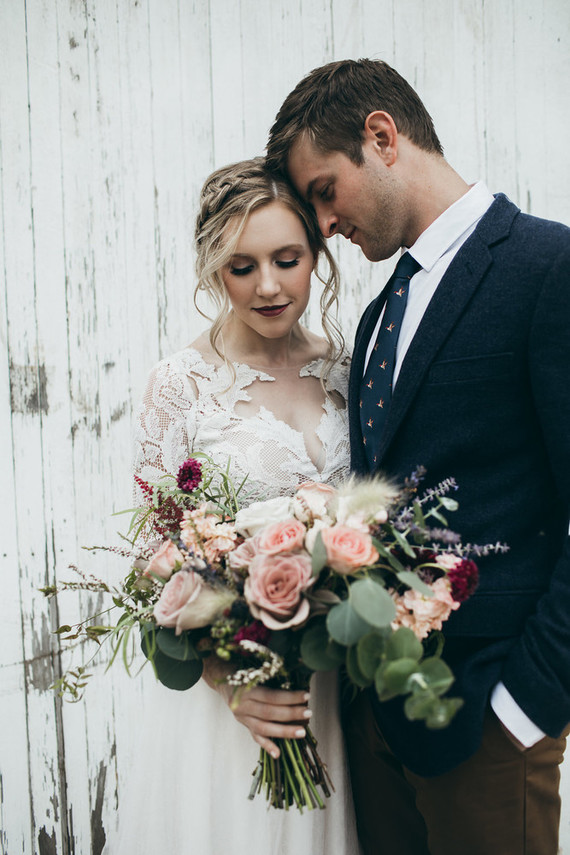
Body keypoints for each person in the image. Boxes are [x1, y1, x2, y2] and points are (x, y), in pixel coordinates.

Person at [266, 58, 570, 855]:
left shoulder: (549, 268)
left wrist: (525, 710)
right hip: (376, 723)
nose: (323, 225)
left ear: (381, 136)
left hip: (488, 723)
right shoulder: (375, 324)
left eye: (325, 191)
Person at [109, 158, 359, 854]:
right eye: (242, 266)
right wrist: (232, 686)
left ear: (316, 257)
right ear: (212, 269)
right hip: (230, 703)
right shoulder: (180, 384)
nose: (270, 285)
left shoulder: (349, 370)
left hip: (331, 690)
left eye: (288, 258)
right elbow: (147, 562)